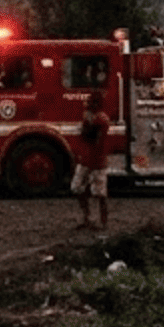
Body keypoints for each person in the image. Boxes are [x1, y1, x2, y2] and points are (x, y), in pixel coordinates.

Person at [73, 91, 111, 230]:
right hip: (93, 160)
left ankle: (93, 219)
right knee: (97, 192)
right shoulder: (100, 119)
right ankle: (98, 220)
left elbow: (91, 138)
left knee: (96, 192)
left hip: (95, 161)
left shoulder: (100, 119)